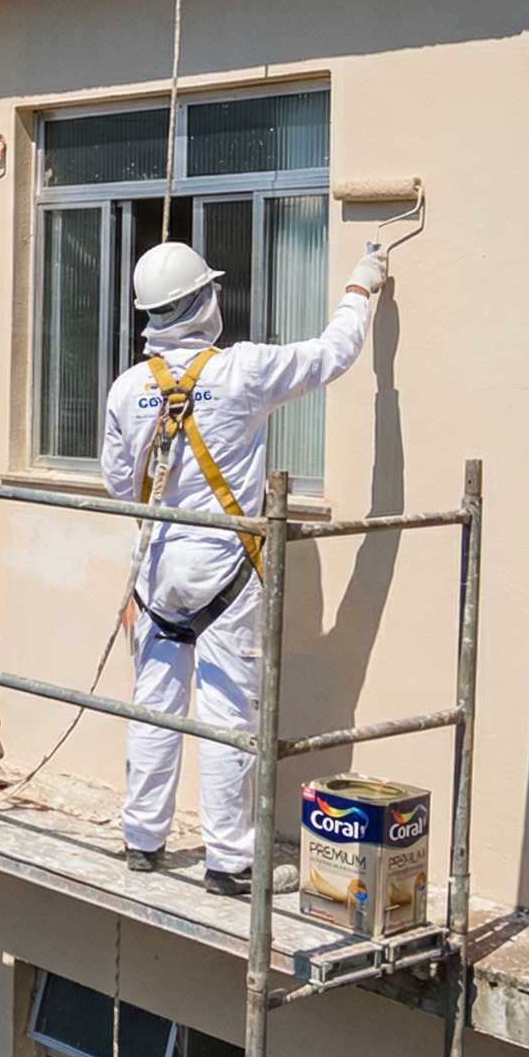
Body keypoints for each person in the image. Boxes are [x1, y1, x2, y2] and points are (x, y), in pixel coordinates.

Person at [101, 237, 386, 895]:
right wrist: (360, 284)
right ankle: (230, 861)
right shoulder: (243, 372)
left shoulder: (127, 390)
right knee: (228, 712)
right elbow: (333, 354)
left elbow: (122, 487)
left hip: (159, 571)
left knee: (156, 705)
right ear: (201, 303)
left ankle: (143, 838)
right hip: (226, 570)